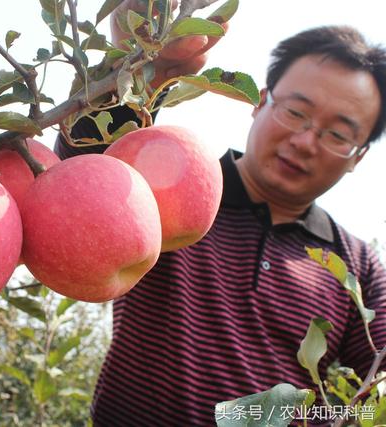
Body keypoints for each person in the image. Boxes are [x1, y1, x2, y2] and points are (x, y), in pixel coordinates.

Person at [55, 2, 386, 425]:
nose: (305, 141)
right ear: (260, 101)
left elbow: (375, 400)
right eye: (296, 112)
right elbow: (88, 175)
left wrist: (309, 416)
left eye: (338, 134)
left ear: (357, 157)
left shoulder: (357, 268)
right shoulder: (174, 189)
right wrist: (131, 68)